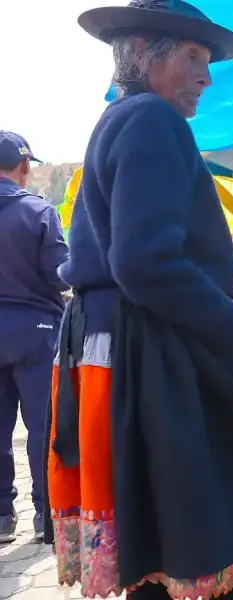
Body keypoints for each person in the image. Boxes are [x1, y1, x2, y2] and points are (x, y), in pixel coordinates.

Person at [48, 3, 233, 599]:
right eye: (193, 57)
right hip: (152, 348)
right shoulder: (153, 119)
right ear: (145, 50)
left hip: (111, 342)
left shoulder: (119, 118)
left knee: (154, 531)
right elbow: (146, 261)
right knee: (204, 519)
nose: (206, 75)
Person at [0, 132, 68, 541]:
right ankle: (47, 515)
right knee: (43, 424)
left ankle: (1, 517)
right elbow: (60, 272)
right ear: (25, 165)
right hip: (35, 330)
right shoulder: (37, 212)